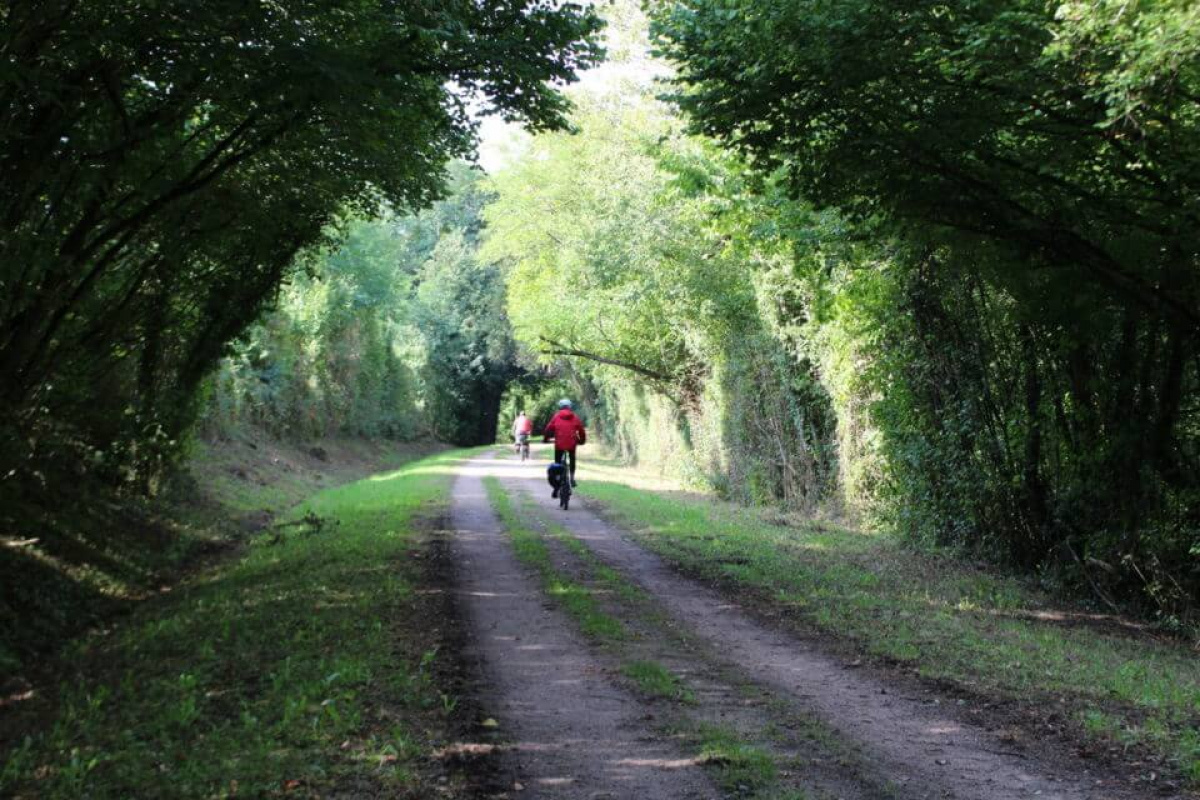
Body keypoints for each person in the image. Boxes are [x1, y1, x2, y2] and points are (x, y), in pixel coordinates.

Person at [543, 398, 586, 496]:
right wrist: (581, 441)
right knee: (572, 458)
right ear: (570, 407)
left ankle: (557, 483)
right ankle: (572, 478)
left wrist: (546, 439)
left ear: (560, 407)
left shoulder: (556, 416)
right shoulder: (575, 417)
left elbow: (548, 429)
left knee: (557, 463)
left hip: (559, 444)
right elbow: (581, 430)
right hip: (572, 443)